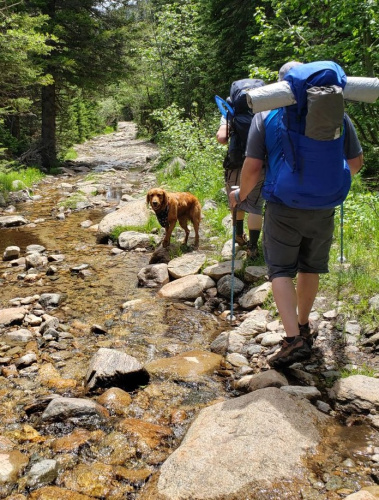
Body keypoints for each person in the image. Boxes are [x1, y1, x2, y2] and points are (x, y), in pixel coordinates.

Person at [229, 61, 364, 368]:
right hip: (324, 206)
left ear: (279, 88)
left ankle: (293, 340)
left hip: (282, 205)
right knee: (310, 266)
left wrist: (241, 195)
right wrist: (326, 183)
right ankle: (303, 323)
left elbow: (251, 167)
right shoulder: (336, 113)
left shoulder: (266, 114)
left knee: (279, 270)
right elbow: (355, 163)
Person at [216, 113, 264, 260]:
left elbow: (222, 138)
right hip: (259, 163)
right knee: (255, 205)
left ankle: (238, 235)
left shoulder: (232, 112)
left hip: (235, 162)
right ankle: (253, 247)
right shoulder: (265, 109)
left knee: (236, 200)